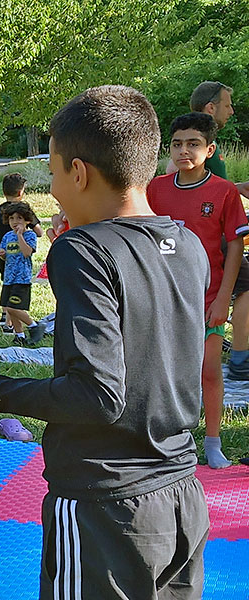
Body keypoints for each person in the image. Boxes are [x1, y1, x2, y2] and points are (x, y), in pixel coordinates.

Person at [0, 85, 210, 600]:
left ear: (78, 172)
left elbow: (97, 396)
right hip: (182, 497)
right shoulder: (186, 242)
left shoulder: (83, 250)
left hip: (106, 505)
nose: (53, 189)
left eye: (55, 173)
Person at [147, 112, 246, 469]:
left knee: (208, 370)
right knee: (164, 373)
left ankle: (213, 441)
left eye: (193, 144)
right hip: (163, 298)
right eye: (177, 143)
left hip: (208, 299)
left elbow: (235, 245)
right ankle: (168, 438)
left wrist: (224, 299)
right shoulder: (155, 188)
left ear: (210, 150)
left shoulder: (223, 191)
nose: (183, 150)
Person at [0, 174, 43, 332]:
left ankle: (6, 316)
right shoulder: (25, 210)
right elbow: (39, 232)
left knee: (7, 282)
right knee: (10, 284)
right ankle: (12, 319)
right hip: (8, 253)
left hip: (11, 255)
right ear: (21, 191)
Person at [0, 201, 46, 346]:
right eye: (11, 218)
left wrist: (20, 236)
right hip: (9, 278)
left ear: (27, 220)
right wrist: (2, 254)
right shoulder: (7, 236)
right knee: (10, 310)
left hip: (21, 278)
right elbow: (6, 255)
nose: (15, 222)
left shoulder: (30, 235)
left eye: (19, 218)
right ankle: (20, 335)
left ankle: (35, 326)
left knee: (13, 307)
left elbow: (26, 252)